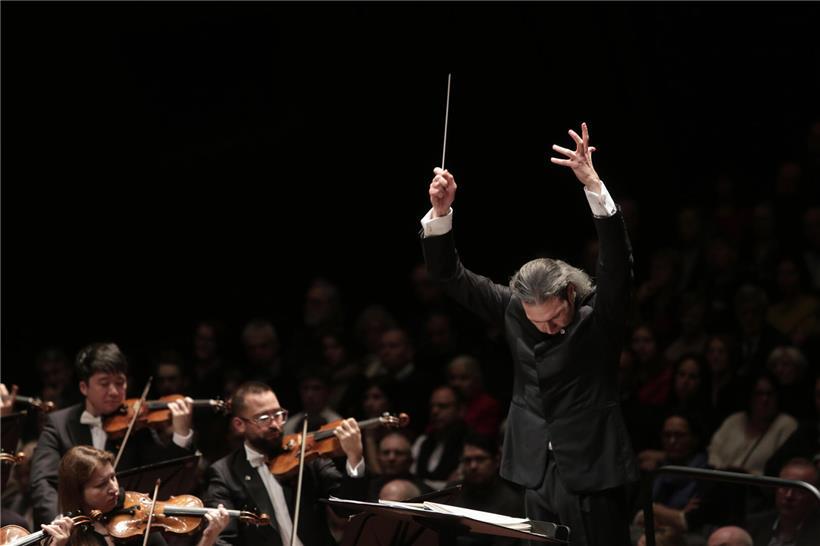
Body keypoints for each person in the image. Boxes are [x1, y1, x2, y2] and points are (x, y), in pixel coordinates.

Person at [420, 122, 638, 546]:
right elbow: (449, 276)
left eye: (555, 319)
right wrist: (442, 213)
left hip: (592, 467)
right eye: (537, 322)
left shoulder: (599, 318)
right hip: (534, 466)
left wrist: (593, 186)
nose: (548, 328)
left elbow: (616, 264)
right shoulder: (512, 308)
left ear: (570, 294)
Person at [30, 342, 196, 527]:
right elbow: (43, 482)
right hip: (73, 526)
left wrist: (181, 434)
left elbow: (164, 476)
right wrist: (62, 522)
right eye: (104, 383)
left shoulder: (136, 425)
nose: (114, 392)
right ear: (84, 387)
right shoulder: (58, 425)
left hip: (126, 525)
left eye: (120, 382)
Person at [203, 381, 365, 546]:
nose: (275, 424)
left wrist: (354, 457)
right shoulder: (224, 473)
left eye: (278, 414)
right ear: (239, 425)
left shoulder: (305, 454)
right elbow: (223, 539)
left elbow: (347, 509)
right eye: (264, 418)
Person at [57, 445, 229, 546]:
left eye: (113, 477)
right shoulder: (68, 536)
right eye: (101, 484)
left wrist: (208, 537)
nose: (114, 488)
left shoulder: (138, 519)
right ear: (77, 492)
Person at [745, 458, 820, 546]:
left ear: (814, 494)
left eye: (799, 490)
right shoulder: (753, 525)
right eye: (784, 487)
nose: (789, 496)